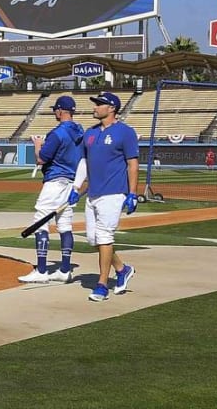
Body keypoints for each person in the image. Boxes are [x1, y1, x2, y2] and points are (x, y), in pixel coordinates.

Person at [70, 91, 139, 304]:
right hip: (93, 194)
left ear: (112, 108)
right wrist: (75, 188)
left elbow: (132, 164)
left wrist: (132, 193)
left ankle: (102, 285)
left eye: (99, 104)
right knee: (94, 239)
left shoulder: (125, 132)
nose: (95, 107)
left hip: (114, 192)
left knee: (105, 236)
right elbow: (84, 162)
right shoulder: (90, 133)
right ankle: (122, 269)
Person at [19, 94, 85, 285]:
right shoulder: (80, 131)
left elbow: (41, 159)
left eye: (56, 109)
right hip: (71, 182)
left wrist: (37, 145)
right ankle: (65, 269)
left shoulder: (58, 133)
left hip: (55, 180)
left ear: (60, 110)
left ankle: (41, 271)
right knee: (65, 225)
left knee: (41, 221)